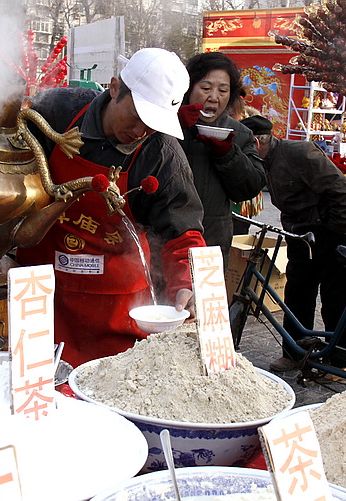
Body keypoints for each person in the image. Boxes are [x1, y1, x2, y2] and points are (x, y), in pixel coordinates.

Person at [14, 48, 207, 367]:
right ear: (115, 87)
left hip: (116, 305)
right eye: (137, 116)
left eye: (153, 124)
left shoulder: (162, 155)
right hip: (43, 290)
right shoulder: (58, 112)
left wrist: (187, 284)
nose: (141, 132)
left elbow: (182, 233)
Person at [241, 115, 346, 372]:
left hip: (332, 231)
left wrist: (333, 232)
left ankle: (338, 360)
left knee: (336, 297)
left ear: (257, 143)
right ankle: (294, 353)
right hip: (301, 234)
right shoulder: (264, 163)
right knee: (297, 293)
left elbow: (341, 190)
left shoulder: (300, 152)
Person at [176, 52, 266, 267]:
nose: (214, 97)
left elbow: (249, 188)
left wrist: (227, 153)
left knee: (203, 300)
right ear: (188, 89)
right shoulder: (164, 123)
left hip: (211, 240)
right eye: (206, 88)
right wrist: (173, 124)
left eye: (223, 90)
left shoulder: (241, 134)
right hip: (165, 236)